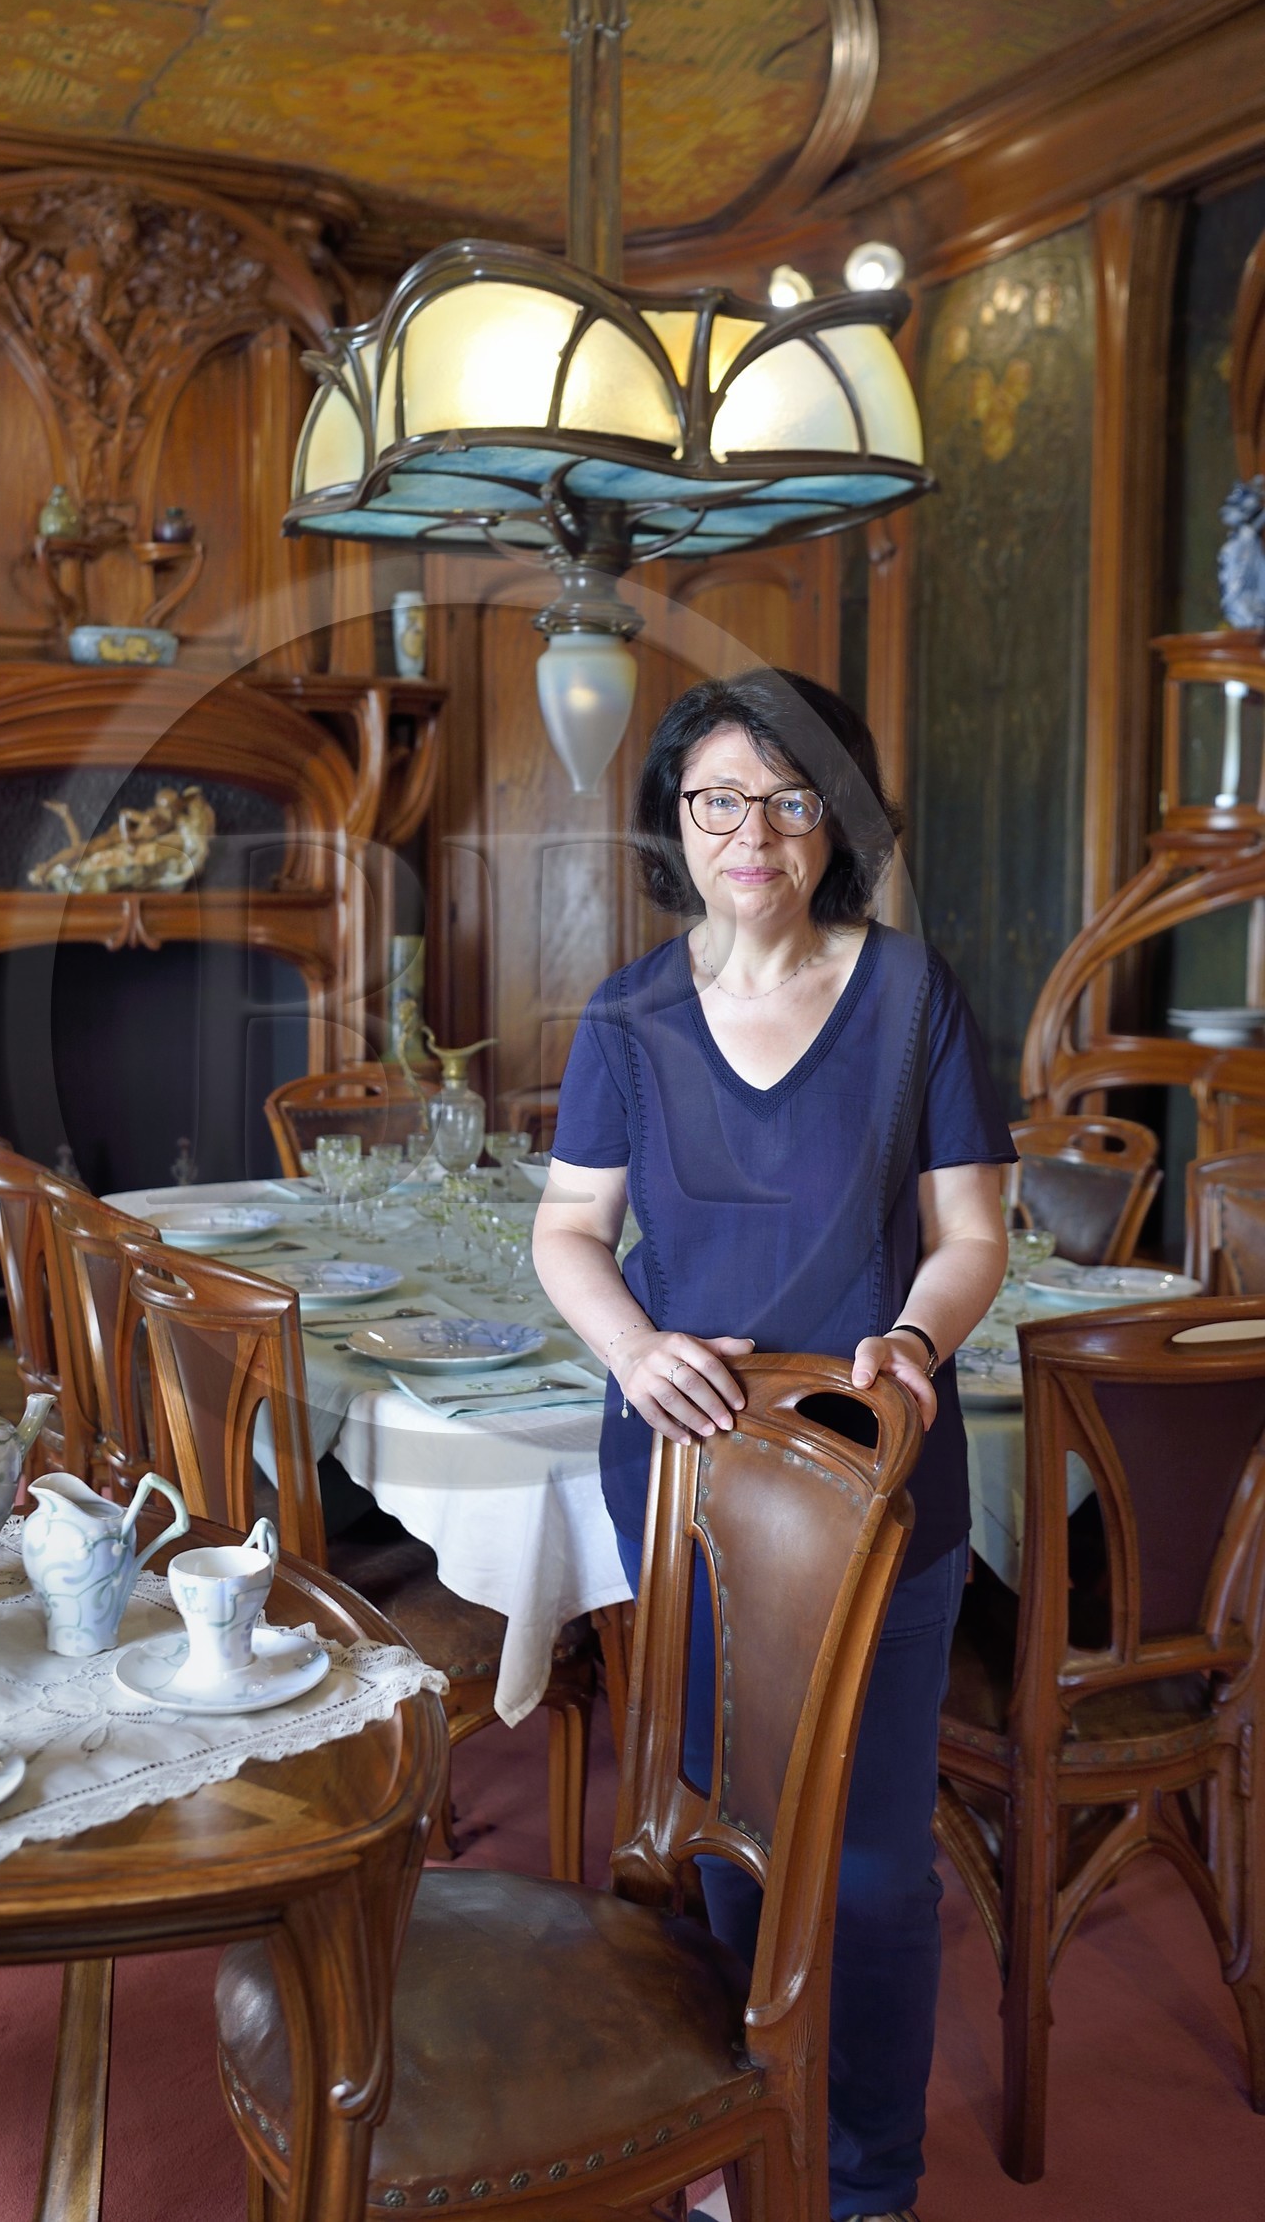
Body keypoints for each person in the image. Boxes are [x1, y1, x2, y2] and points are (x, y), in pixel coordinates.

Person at [533, 669, 1012, 2222]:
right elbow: (568, 1230)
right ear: (677, 825)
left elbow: (971, 1230)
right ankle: (733, 2148)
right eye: (718, 799)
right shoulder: (631, 1014)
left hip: (873, 1489)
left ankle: (863, 2182)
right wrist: (633, 1345)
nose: (755, 830)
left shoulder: (914, 996)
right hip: (685, 1485)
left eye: (791, 796)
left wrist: (918, 1339)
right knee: (714, 1838)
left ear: (839, 819)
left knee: (870, 1865)